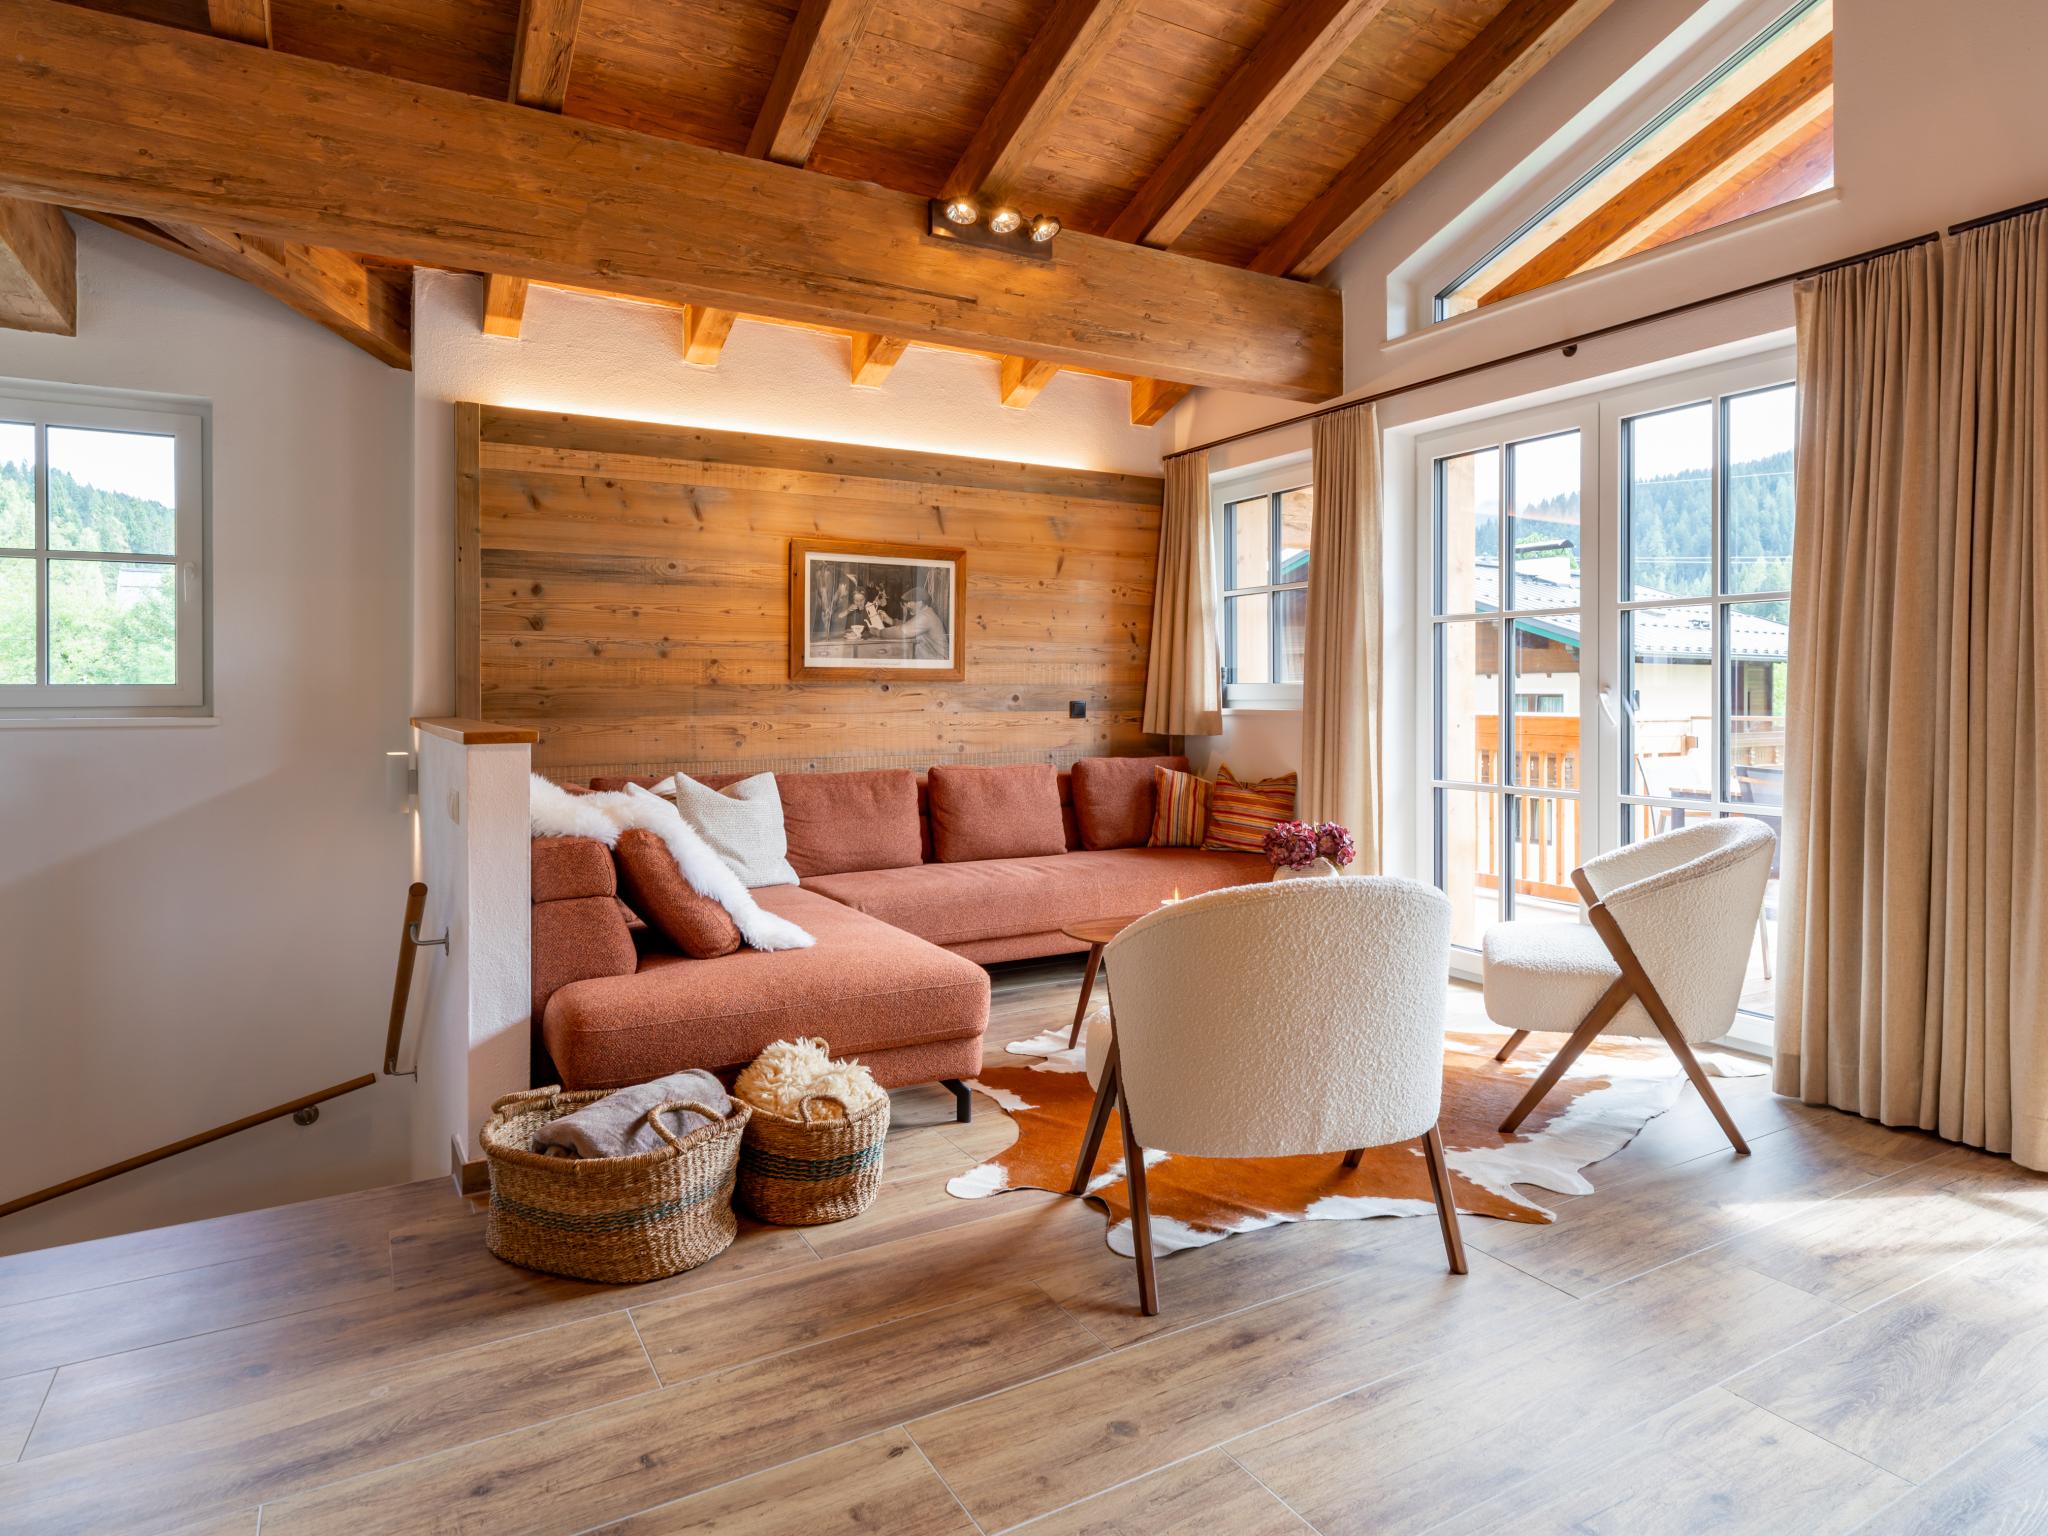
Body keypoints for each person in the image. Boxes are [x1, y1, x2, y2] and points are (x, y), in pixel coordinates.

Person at [869, 591, 948, 660]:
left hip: (937, 661)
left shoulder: (925, 617)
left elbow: (902, 631)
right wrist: (890, 621)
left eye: (909, 602)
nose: (907, 606)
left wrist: (878, 632)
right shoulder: (927, 613)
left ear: (920, 603)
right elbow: (909, 625)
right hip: (932, 659)